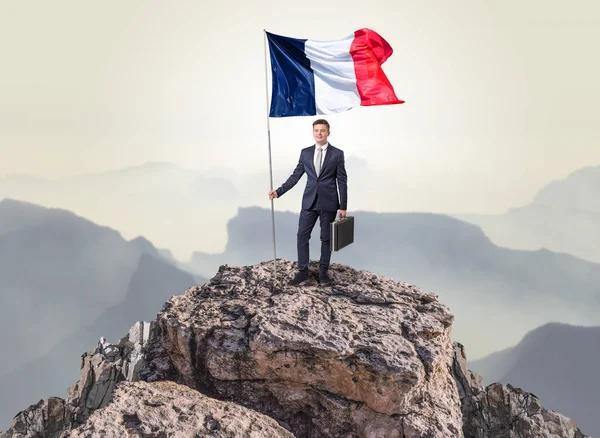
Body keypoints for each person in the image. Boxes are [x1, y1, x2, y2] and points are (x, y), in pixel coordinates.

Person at [268, 119, 348, 286]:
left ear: (328, 133)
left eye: (322, 130)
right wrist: (278, 191)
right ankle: (303, 272)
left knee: (326, 238)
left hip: (329, 203)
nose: (319, 133)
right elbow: (295, 176)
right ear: (313, 132)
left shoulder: (337, 154)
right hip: (309, 202)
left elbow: (342, 181)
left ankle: (323, 273)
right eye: (316, 130)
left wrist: (343, 206)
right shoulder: (305, 153)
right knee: (302, 236)